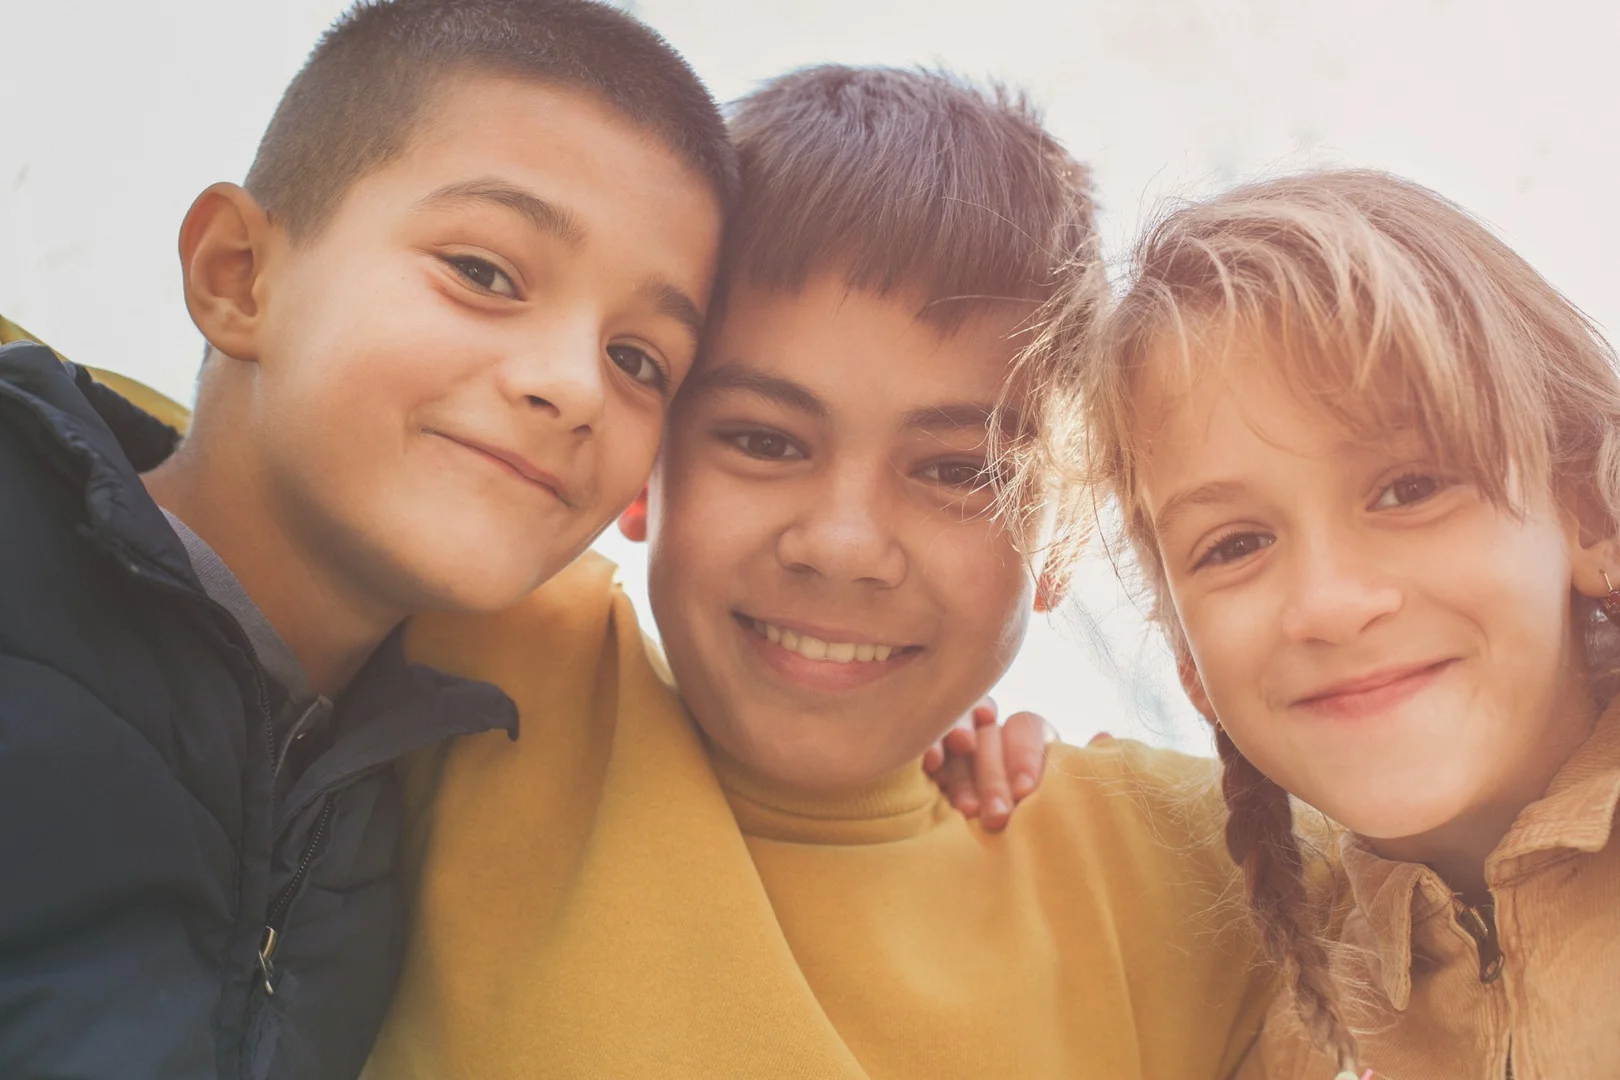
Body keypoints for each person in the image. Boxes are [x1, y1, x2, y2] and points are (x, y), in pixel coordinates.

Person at [362, 65, 1274, 1080]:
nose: (843, 543)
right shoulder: (482, 664)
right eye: (763, 440)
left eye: (954, 471)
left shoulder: (1201, 874)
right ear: (639, 459)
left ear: (1057, 536)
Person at [0, 2, 732, 1076]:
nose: (575, 386)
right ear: (238, 276)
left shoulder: (432, 777)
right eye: (485, 273)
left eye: (639, 359)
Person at [1071, 168, 1620, 1078]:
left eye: (1408, 490)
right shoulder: (1287, 1039)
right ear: (1191, 665)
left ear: (1593, 520)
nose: (1326, 601)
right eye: (1235, 544)